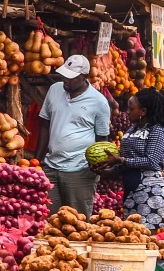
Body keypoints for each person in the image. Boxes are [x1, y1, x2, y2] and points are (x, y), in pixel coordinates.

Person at [37, 54, 110, 214]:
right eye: (64, 75)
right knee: (49, 220)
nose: (65, 80)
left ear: (84, 77)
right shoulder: (54, 90)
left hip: (80, 171)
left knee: (78, 222)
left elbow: (101, 139)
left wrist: (97, 167)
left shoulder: (99, 102)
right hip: (51, 167)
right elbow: (45, 125)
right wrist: (38, 160)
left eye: (71, 77)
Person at [115, 89, 164, 229]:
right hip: (131, 191)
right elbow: (128, 160)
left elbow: (151, 161)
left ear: (143, 111)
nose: (127, 112)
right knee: (130, 236)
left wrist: (121, 160)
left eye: (131, 108)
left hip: (150, 192)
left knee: (147, 239)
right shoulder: (132, 130)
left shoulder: (157, 131)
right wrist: (109, 170)